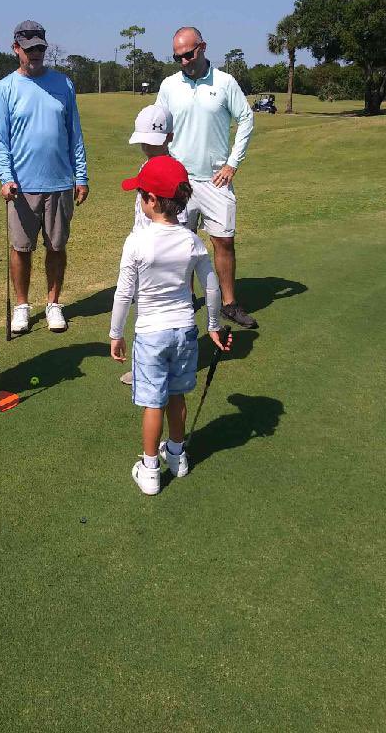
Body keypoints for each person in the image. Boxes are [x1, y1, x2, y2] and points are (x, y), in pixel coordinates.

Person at [109, 156, 231, 496]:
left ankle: (150, 469)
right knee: (176, 395)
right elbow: (210, 286)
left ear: (151, 200)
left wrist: (116, 334)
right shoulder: (191, 240)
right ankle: (176, 456)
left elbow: (124, 293)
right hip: (184, 331)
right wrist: (213, 325)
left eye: (140, 194)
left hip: (150, 334)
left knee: (153, 402)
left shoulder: (136, 242)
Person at [0, 20, 89, 334]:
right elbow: (0, 140)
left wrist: (81, 175)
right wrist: (5, 177)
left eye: (40, 49)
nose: (35, 54)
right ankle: (22, 305)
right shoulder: (4, 89)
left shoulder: (64, 84)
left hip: (60, 181)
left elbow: (75, 134)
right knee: (20, 249)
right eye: (29, 49)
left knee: (56, 247)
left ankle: (54, 303)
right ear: (16, 48)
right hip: (21, 187)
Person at [157, 27, 257, 329]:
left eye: (188, 54)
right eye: (178, 57)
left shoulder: (225, 82)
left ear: (202, 47)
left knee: (223, 241)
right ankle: (184, 300)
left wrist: (232, 163)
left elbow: (246, 118)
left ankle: (228, 303)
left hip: (216, 180)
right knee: (180, 243)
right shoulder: (169, 85)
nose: (183, 61)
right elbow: (158, 126)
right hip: (179, 181)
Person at [119, 103, 187, 386]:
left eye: (153, 141)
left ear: (169, 137)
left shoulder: (174, 171)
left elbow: (176, 218)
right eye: (145, 141)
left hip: (159, 253)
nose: (148, 147)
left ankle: (155, 365)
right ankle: (149, 362)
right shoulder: (145, 165)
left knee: (156, 310)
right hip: (143, 249)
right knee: (143, 308)